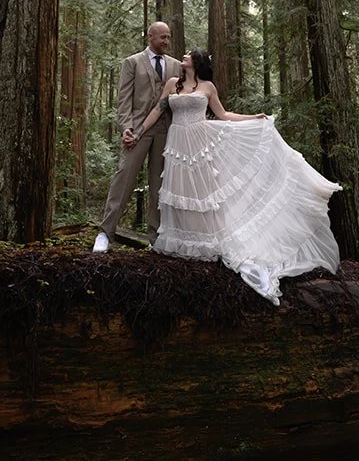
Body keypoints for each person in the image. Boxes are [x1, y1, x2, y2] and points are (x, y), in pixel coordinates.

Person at [141, 47, 341, 304]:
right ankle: (183, 242)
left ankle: (208, 242)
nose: (184, 56)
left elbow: (223, 115)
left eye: (189, 54)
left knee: (203, 193)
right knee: (181, 191)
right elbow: (158, 110)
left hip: (201, 142)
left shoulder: (208, 87)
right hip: (178, 142)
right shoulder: (172, 84)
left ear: (197, 62)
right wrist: (138, 130)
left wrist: (254, 119)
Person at [92, 22, 181, 254]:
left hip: (166, 131)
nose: (166, 41)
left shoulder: (176, 66)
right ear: (150, 36)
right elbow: (124, 100)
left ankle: (156, 237)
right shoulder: (132, 62)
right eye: (162, 37)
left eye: (168, 37)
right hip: (138, 131)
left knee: (159, 185)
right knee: (124, 177)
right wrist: (126, 129)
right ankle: (105, 232)